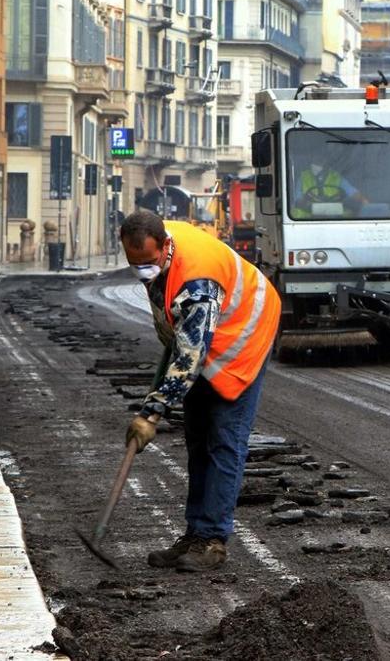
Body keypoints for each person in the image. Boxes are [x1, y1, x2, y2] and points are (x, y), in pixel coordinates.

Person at [120, 210, 280, 572]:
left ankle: (213, 541)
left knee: (223, 436)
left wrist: (152, 413)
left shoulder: (199, 282)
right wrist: (155, 400)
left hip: (243, 335)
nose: (143, 270)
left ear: (164, 247)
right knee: (197, 437)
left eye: (148, 263)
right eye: (134, 264)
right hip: (205, 333)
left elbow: (190, 357)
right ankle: (195, 534)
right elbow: (176, 334)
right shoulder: (158, 247)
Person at [291, 160, 365, 219]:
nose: (317, 164)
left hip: (337, 220)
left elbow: (355, 195)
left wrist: (366, 205)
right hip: (305, 221)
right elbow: (297, 200)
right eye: (315, 160)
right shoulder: (303, 177)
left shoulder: (336, 177)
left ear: (327, 162)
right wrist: (310, 205)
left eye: (320, 160)